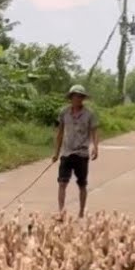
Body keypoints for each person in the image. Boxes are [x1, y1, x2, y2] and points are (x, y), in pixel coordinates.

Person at [51, 84, 100, 218]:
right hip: (66, 152)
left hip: (82, 153)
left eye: (80, 96)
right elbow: (60, 132)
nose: (77, 99)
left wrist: (95, 147)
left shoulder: (89, 114)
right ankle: (61, 212)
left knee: (82, 184)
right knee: (62, 182)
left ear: (83, 98)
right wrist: (56, 153)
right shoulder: (64, 112)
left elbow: (94, 131)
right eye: (75, 96)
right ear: (71, 97)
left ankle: (81, 211)